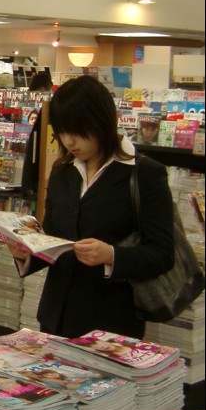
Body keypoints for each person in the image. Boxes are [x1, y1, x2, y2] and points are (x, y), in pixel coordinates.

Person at [9, 75, 174, 339]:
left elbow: (163, 254)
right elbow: (53, 236)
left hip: (109, 323)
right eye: (62, 132)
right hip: (55, 317)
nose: (69, 141)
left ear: (102, 122)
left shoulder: (143, 174)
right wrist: (25, 252)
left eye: (77, 131)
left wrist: (111, 255)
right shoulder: (63, 171)